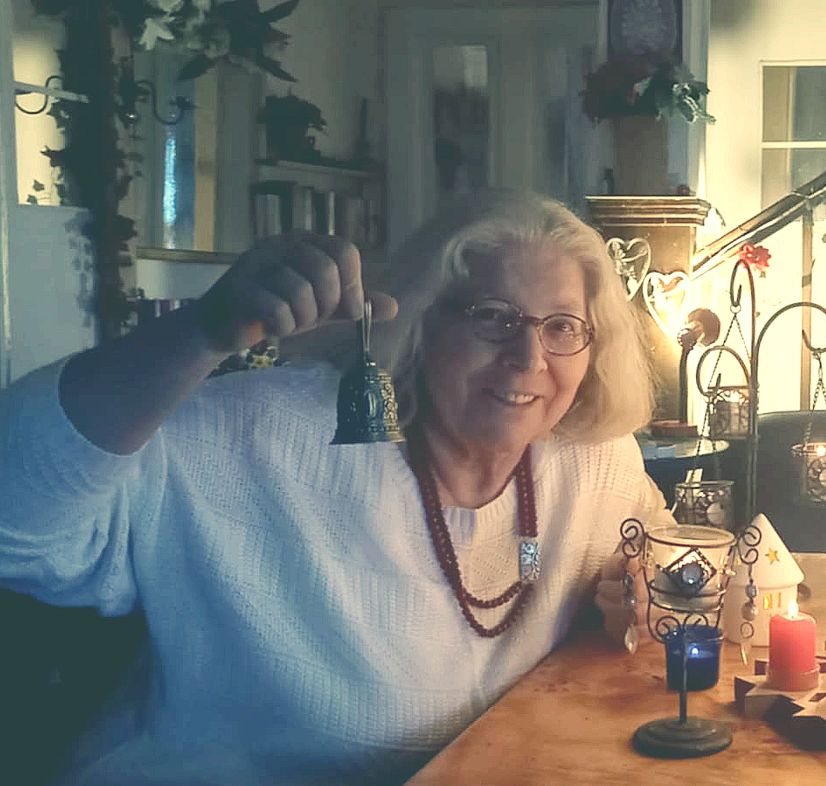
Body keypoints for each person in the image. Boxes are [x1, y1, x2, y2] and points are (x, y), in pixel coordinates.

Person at [0, 190, 665, 785]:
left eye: (562, 326)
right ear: (422, 323)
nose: (528, 358)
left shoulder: (593, 461)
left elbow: (662, 554)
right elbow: (18, 525)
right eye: (493, 317)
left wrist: (641, 592)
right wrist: (202, 331)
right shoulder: (253, 439)